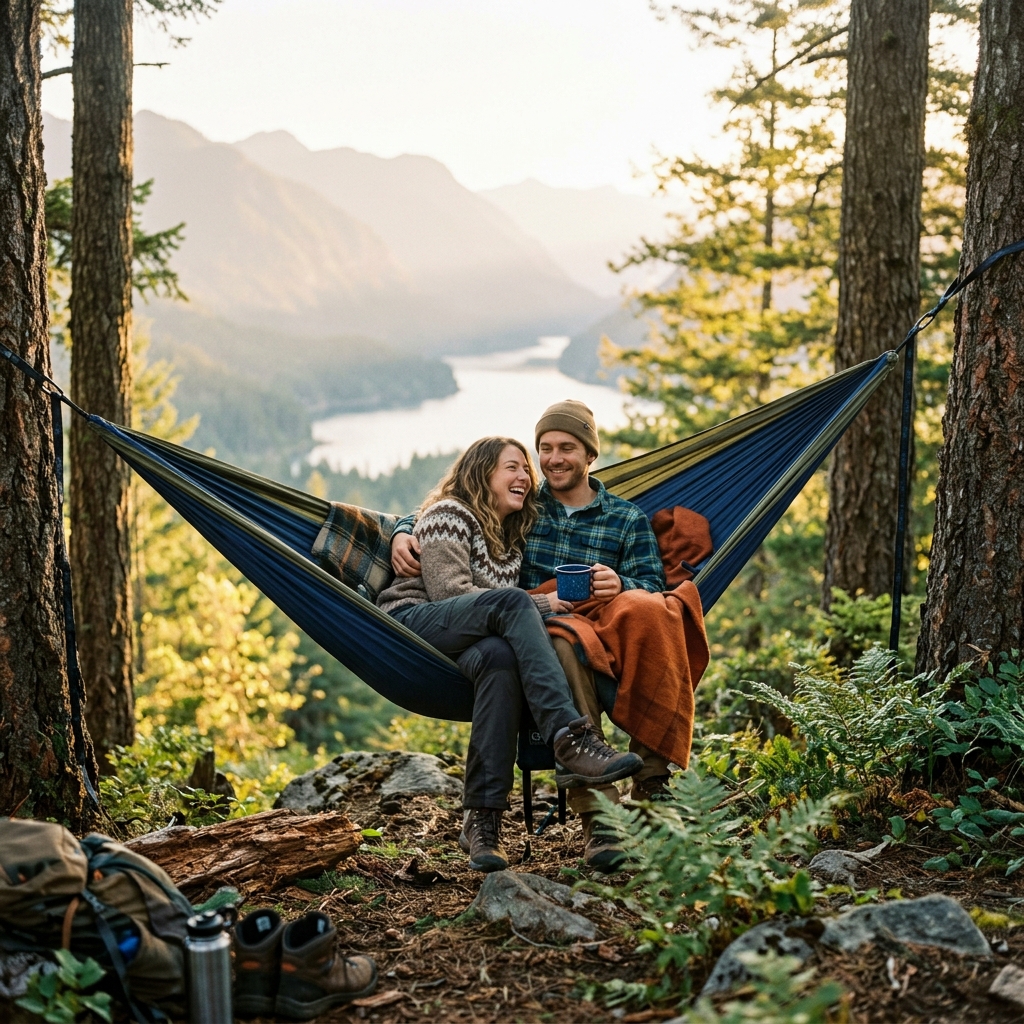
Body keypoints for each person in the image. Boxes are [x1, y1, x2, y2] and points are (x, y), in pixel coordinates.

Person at [392, 402, 670, 871]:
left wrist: (621, 584)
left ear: (590, 454)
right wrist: (403, 529)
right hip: (426, 623)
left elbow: (654, 587)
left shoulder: (524, 519)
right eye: (539, 452)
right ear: (485, 474)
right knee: (528, 613)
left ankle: (482, 820)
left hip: (504, 639)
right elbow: (440, 536)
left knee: (501, 663)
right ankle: (569, 737)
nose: (547, 462)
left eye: (565, 448)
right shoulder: (502, 512)